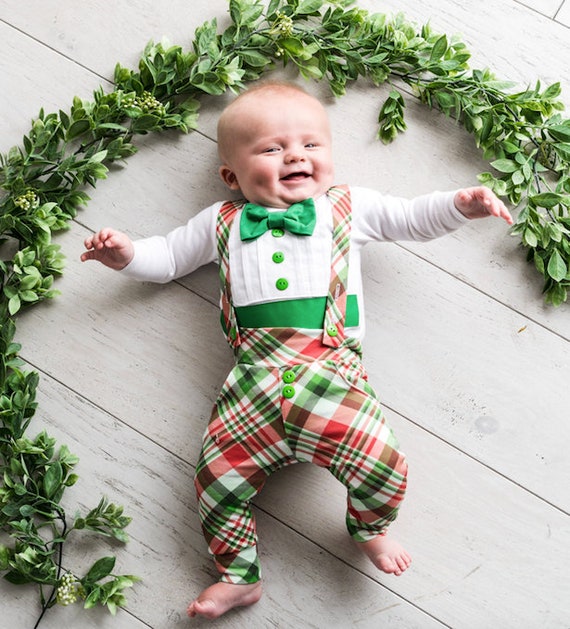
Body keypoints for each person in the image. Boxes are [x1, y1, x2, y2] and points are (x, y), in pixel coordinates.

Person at [81, 82, 513, 619]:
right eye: (270, 148)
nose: (295, 156)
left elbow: (409, 217)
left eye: (311, 144)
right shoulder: (221, 222)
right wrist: (126, 254)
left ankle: (368, 527)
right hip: (251, 386)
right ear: (231, 176)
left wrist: (459, 205)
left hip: (331, 377)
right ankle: (239, 576)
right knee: (214, 482)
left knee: (386, 466)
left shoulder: (347, 207)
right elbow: (166, 257)